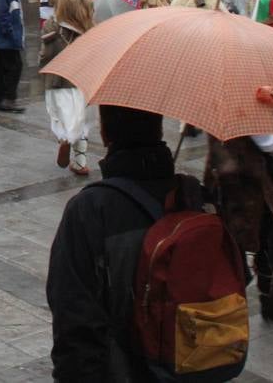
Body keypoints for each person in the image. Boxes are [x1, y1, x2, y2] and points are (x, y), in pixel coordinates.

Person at [47, 105, 182, 378]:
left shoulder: (90, 210)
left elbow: (74, 319)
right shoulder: (192, 197)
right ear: (158, 127)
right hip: (189, 365)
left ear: (106, 134)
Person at [203, 135, 273, 321]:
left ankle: (227, 301)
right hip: (251, 184)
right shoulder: (248, 111)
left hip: (225, 180)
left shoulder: (216, 111)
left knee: (232, 241)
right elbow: (267, 143)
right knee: (268, 243)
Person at [39, 0, 95, 174]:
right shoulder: (87, 27)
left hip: (58, 80)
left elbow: (46, 54)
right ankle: (80, 162)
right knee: (82, 120)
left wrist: (42, 65)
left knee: (59, 116)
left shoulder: (52, 26)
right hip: (81, 80)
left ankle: (64, 139)